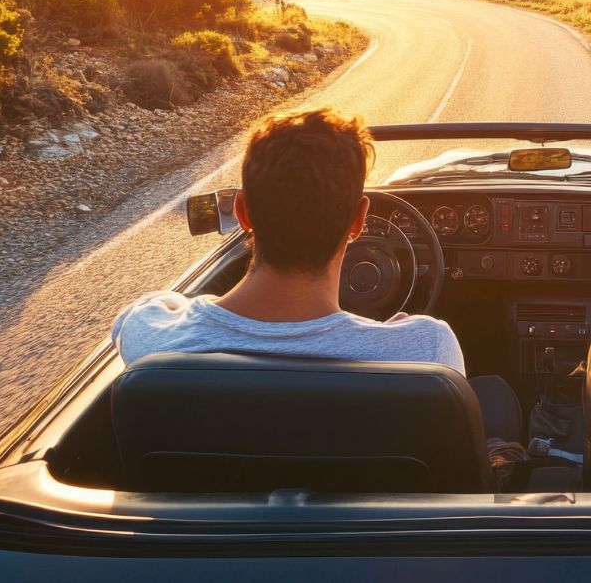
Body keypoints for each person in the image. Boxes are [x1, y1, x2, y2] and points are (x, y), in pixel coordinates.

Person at [112, 107, 519, 442]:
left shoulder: (153, 337)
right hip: (366, 540)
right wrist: (389, 328)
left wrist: (188, 308)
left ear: (242, 213)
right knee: (494, 396)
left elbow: (145, 306)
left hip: (207, 540)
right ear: (359, 219)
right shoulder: (427, 349)